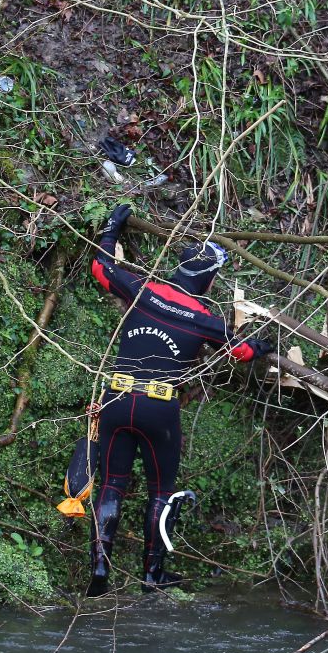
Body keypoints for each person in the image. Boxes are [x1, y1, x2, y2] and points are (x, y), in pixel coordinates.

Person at [83, 204, 271, 595]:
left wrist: (112, 228)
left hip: (116, 397)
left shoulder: (144, 292)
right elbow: (244, 353)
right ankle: (152, 575)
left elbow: (101, 267)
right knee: (161, 491)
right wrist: (264, 344)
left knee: (112, 483)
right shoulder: (206, 320)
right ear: (209, 281)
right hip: (158, 407)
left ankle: (100, 567)